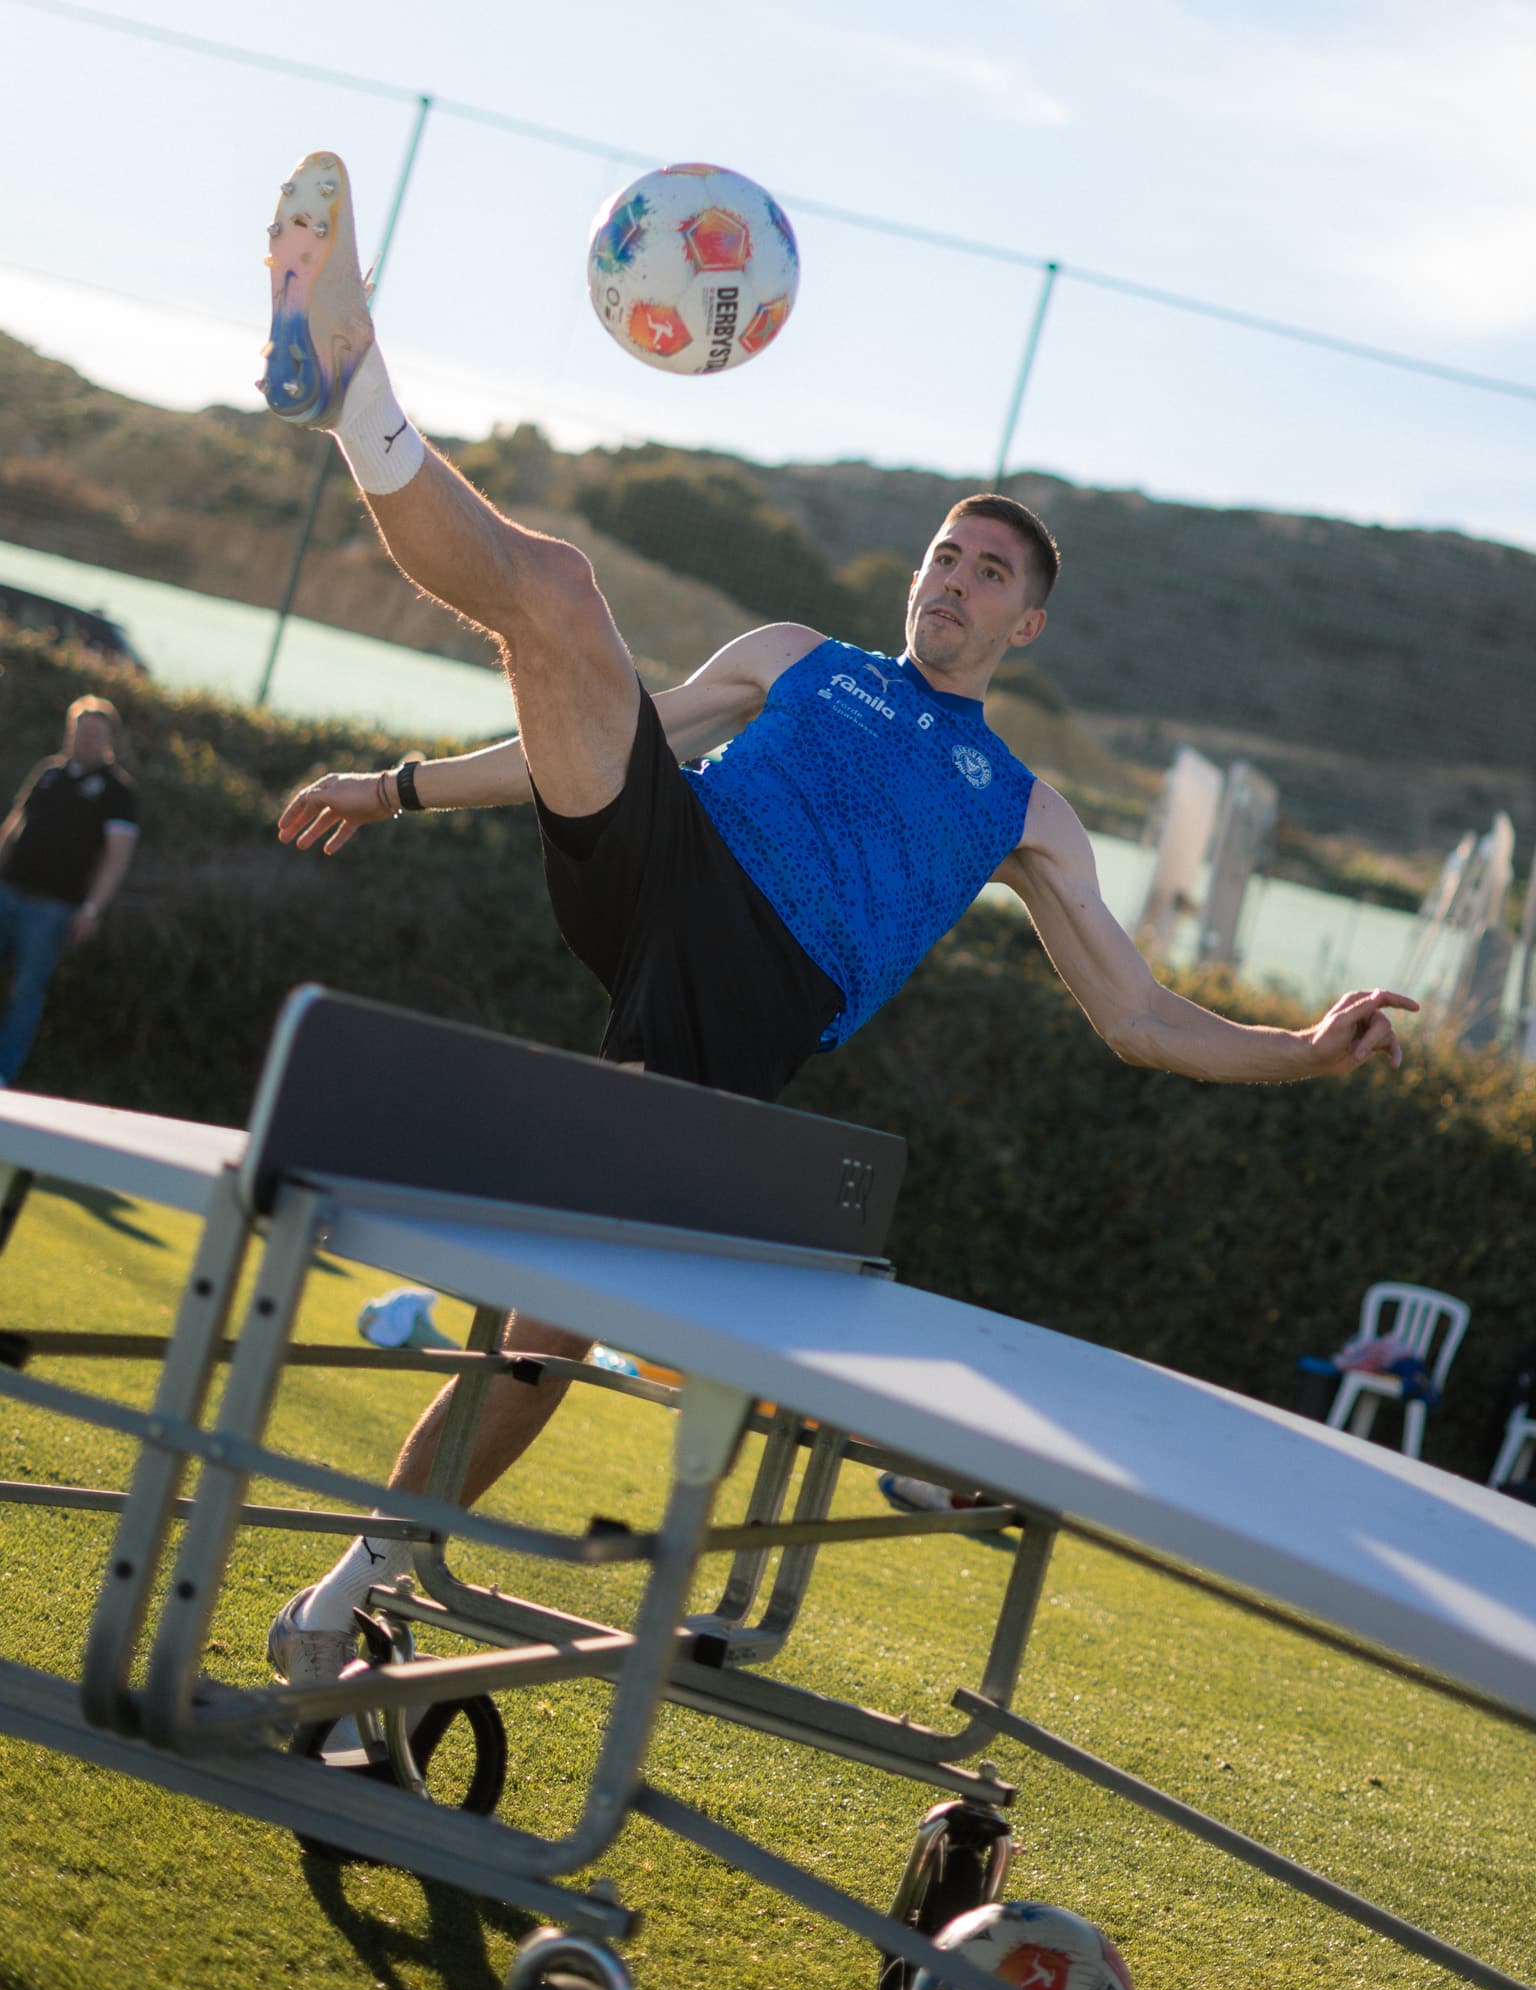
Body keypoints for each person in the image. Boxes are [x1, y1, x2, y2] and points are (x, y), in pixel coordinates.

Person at [261, 150, 1418, 1682]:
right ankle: (350, 387)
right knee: (552, 591)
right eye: (944, 553)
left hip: (749, 997)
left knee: (540, 1337)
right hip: (660, 867)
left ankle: (352, 1586)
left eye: (987, 571)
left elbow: (1141, 1021)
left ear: (1026, 623)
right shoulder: (798, 652)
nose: (953, 577)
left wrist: (1308, 1050)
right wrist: (396, 784)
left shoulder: (1022, 807)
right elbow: (596, 724)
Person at [0, 696, 139, 1088]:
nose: (86, 739)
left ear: (110, 738)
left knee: (26, 992)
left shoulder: (117, 791)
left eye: (96, 732)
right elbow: (15, 825)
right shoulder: (49, 772)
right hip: (7, 890)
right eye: (81, 730)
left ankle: (3, 1073)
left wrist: (92, 909)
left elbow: (117, 857)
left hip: (53, 909)